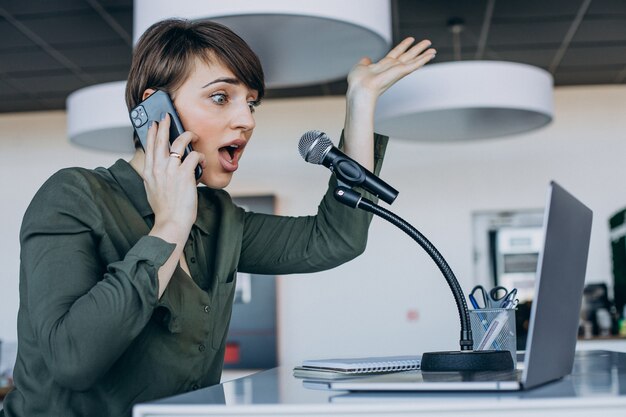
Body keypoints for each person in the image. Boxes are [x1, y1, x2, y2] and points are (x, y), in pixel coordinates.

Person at [1, 18, 436, 417]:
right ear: (156, 109)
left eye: (251, 103)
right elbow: (71, 360)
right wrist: (169, 225)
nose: (245, 119)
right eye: (220, 97)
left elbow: (334, 239)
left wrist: (361, 103)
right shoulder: (74, 195)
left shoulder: (219, 216)